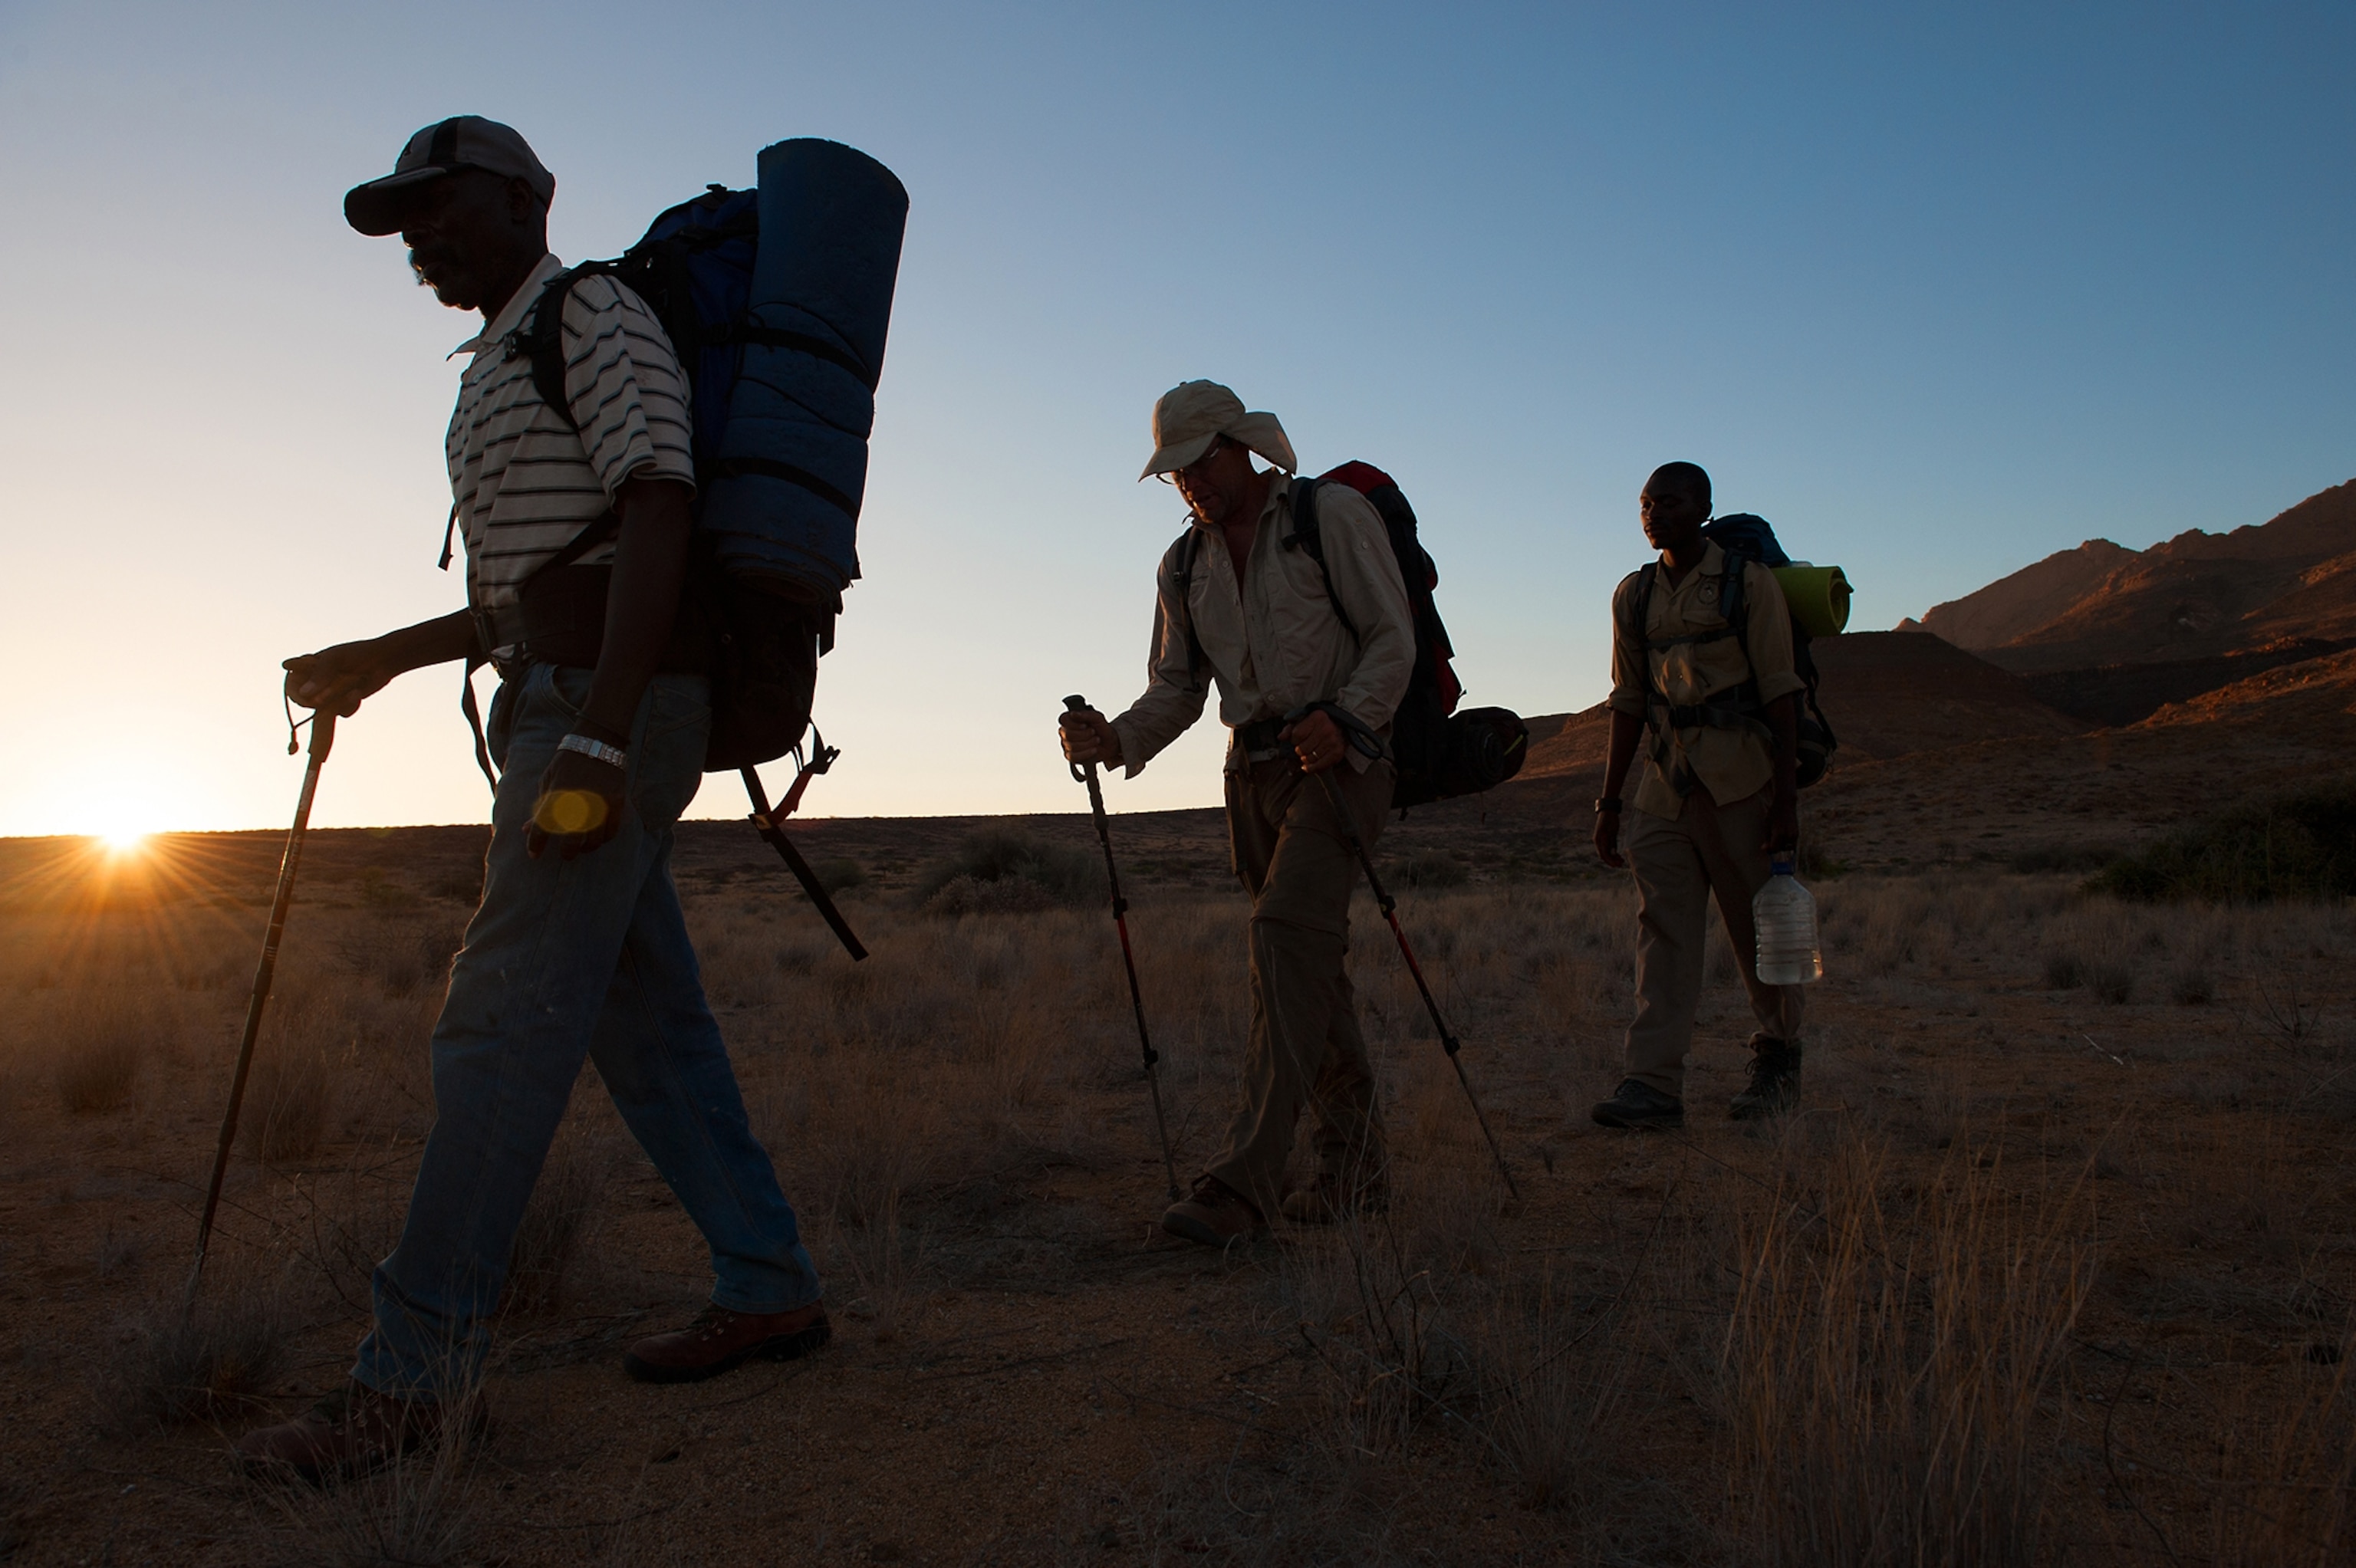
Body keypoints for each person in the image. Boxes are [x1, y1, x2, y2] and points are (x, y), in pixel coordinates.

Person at [238, 117, 825, 1480]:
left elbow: (660, 510)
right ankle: (769, 1280)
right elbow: (544, 579)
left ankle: (411, 1380)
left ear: (525, 197)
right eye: (403, 221)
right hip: (561, 695)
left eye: (438, 206)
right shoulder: (500, 354)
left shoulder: (591, 313)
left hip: (600, 709)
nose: (419, 237)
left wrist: (605, 738)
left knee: (499, 1028)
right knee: (648, 1025)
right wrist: (382, 659)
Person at [1060, 381, 1416, 1245]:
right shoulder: (1183, 565)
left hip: (1339, 762)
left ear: (1239, 446)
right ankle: (1355, 1167)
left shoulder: (1328, 517)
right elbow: (1179, 687)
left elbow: (1391, 639)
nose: (1189, 484)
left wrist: (1349, 717)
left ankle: (1245, 1182)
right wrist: (1114, 739)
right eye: (1173, 474)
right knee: (1306, 963)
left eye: (1197, 463)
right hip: (1249, 776)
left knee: (1283, 937)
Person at [1589, 462, 1807, 1129]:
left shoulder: (1750, 584)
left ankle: (1779, 1060)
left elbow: (1780, 690)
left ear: (1704, 507)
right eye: (1646, 503)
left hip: (1741, 782)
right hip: (1665, 788)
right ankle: (1651, 1085)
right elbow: (1627, 701)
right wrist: (1610, 802)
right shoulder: (1635, 595)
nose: (1654, 513)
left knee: (1756, 934)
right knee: (1663, 936)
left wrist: (1786, 800)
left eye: (1669, 501)